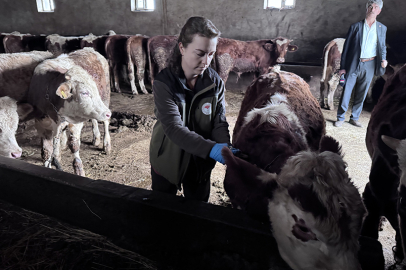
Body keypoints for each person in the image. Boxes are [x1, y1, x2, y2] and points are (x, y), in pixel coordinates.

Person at [149, 16, 238, 202]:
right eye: (200, 53)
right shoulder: (164, 83)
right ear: (182, 48)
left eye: (211, 54)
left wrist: (225, 147)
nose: (206, 61)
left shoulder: (215, 83)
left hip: (200, 165)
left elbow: (218, 121)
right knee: (162, 209)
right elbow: (174, 128)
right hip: (167, 160)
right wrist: (213, 149)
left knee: (199, 211)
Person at [334, 0, 387, 128]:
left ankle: (355, 118)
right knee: (347, 90)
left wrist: (384, 59)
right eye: (370, 6)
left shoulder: (382, 28)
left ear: (379, 11)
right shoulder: (355, 27)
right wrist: (343, 68)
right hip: (354, 63)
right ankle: (340, 118)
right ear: (366, 9)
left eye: (375, 7)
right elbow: (346, 49)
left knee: (362, 92)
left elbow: (382, 46)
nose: (372, 9)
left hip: (370, 63)